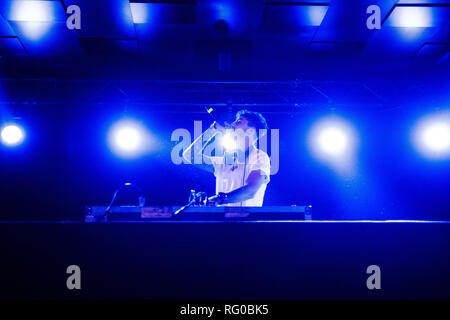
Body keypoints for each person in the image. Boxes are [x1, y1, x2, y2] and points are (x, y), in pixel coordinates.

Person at [182, 110, 271, 206]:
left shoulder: (260, 157)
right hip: (221, 220)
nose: (232, 124)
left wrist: (219, 199)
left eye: (238, 122)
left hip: (246, 219)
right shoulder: (225, 159)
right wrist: (212, 130)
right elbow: (190, 155)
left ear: (251, 131)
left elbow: (251, 190)